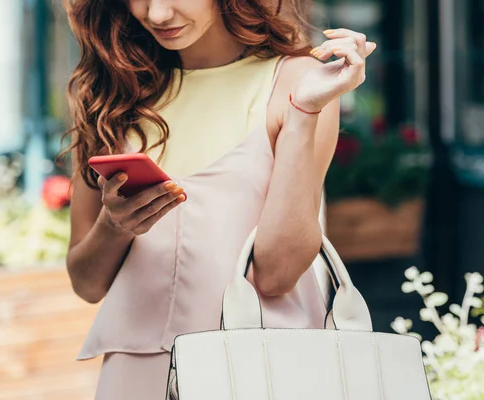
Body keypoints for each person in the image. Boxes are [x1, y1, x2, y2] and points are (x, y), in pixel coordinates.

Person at [62, 0, 376, 398]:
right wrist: (115, 225)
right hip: (133, 376)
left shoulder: (299, 82)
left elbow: (278, 274)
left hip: (256, 370)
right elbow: (86, 283)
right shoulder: (109, 95)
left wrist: (303, 112)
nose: (157, 14)